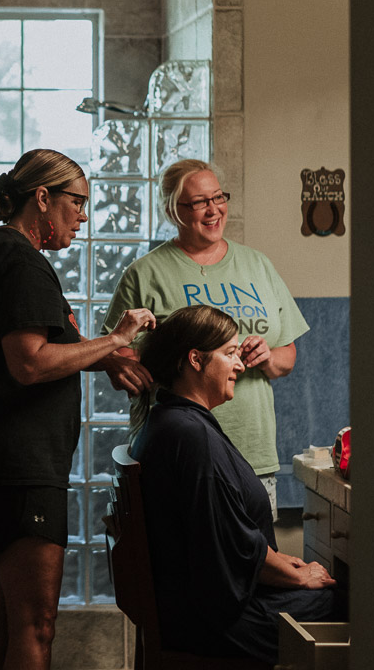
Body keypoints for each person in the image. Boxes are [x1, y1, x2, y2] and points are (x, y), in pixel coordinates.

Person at [0, 149, 156, 670]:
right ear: (43, 198)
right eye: (78, 202)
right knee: (36, 626)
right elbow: (30, 363)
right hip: (18, 469)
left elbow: (38, 349)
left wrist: (101, 358)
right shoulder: (22, 263)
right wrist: (116, 338)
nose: (84, 217)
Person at [129, 305, 342, 664]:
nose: (241, 366)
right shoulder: (191, 437)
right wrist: (299, 578)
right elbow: (229, 551)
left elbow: (225, 536)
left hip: (188, 609)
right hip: (214, 622)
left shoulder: (170, 421)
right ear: (195, 360)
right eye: (230, 354)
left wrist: (279, 562)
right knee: (342, 601)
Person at [103, 159, 307, 513]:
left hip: (251, 450)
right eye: (199, 202)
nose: (213, 210)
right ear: (172, 210)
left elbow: (287, 355)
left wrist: (268, 357)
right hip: (178, 451)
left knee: (258, 561)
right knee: (190, 561)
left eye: (218, 198)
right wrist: (120, 367)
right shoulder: (144, 274)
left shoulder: (257, 265)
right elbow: (113, 353)